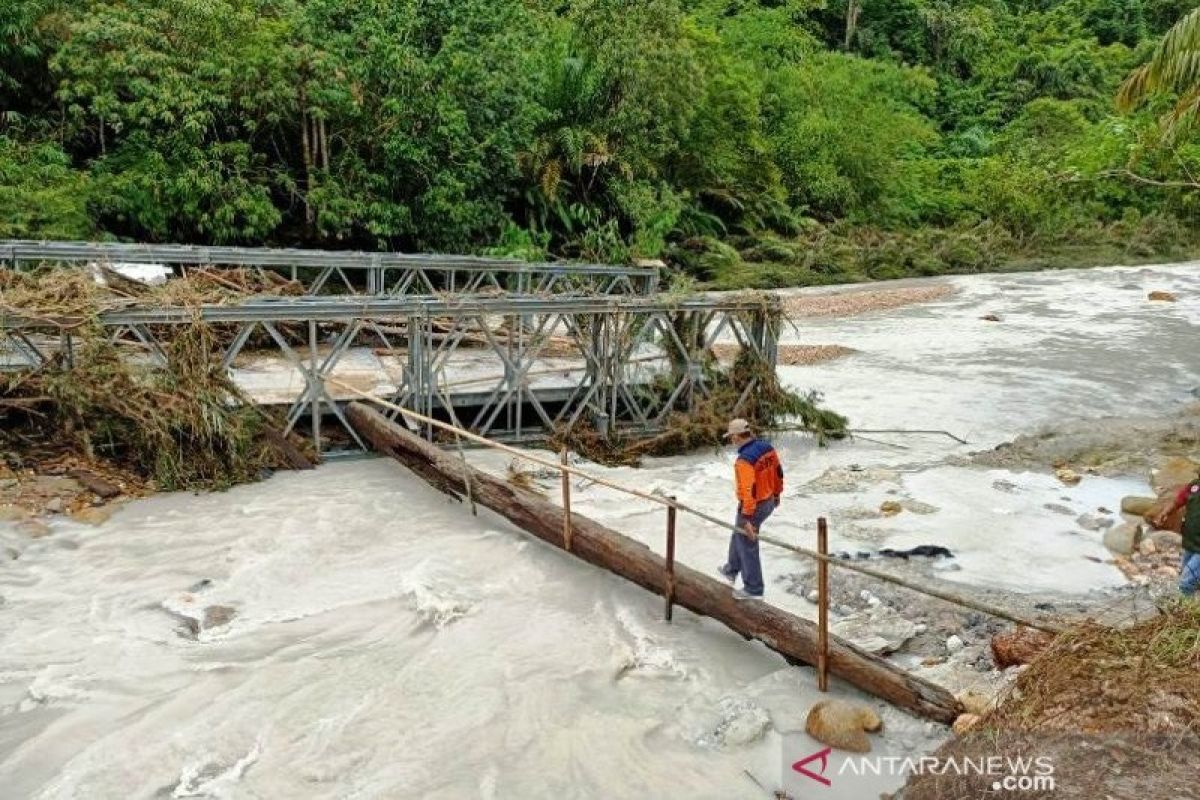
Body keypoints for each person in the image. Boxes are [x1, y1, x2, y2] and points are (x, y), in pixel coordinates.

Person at [717, 419, 784, 600]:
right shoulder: (766, 448)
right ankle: (731, 570)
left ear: (737, 437)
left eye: (731, 437)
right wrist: (777, 494)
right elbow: (778, 472)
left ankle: (754, 589)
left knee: (747, 543)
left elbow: (749, 490)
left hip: (754, 506)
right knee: (738, 533)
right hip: (769, 500)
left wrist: (747, 517)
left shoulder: (744, 460)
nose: (731, 440)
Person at [1154, 473, 1200, 597]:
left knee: (1186, 582)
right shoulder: (1194, 486)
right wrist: (1164, 513)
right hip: (1190, 542)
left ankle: (1182, 613)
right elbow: (1177, 501)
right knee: (1188, 577)